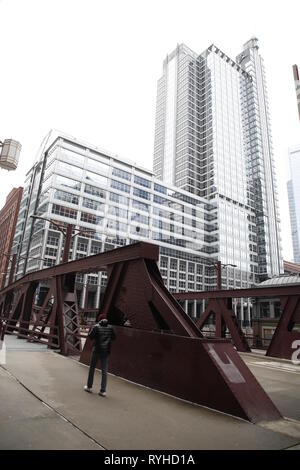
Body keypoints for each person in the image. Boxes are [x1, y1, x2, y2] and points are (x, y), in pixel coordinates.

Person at [84, 314, 116, 397]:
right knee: (104, 370)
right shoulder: (111, 327)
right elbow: (114, 338)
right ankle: (103, 391)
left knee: (92, 368)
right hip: (106, 351)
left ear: (99, 320)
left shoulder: (96, 326)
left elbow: (90, 337)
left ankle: (89, 387)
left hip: (96, 350)